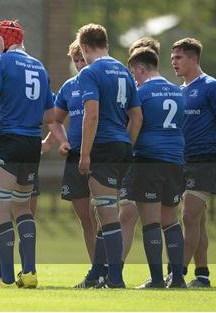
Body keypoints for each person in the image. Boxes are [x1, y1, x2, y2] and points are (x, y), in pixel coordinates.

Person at [0, 20, 54, 288]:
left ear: (7, 39)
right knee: (23, 208)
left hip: (7, 140)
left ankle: (6, 279)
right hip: (32, 143)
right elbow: (50, 114)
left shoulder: (1, 61)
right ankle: (29, 273)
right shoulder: (40, 66)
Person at [76, 23, 142, 288]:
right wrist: (125, 142)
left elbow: (91, 115)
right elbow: (136, 116)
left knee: (106, 211)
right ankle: (97, 274)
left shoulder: (90, 72)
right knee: (105, 210)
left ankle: (114, 278)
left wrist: (85, 154)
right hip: (123, 146)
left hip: (102, 146)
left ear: (84, 47)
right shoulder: (124, 72)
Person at [171, 38, 216, 287]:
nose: (174, 61)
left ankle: (176, 273)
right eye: (173, 57)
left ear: (194, 59)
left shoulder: (213, 87)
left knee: (188, 215)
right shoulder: (178, 91)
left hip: (205, 160)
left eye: (179, 57)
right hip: (181, 160)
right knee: (197, 220)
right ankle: (202, 275)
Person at [126, 46, 187, 288]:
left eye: (133, 73)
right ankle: (179, 278)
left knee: (150, 221)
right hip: (175, 160)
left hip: (149, 160)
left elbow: (134, 121)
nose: (133, 79)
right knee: (170, 220)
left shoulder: (142, 92)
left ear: (140, 68)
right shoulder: (177, 91)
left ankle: (157, 279)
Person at [49, 40, 97, 285]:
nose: (79, 64)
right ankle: (96, 270)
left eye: (82, 59)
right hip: (75, 156)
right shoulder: (68, 87)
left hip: (99, 155)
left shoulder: (100, 81)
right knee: (85, 216)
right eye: (75, 61)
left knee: (99, 211)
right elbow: (54, 120)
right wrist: (62, 141)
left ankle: (109, 268)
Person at [119, 37, 162, 262]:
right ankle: (115, 272)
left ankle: (183, 273)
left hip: (151, 159)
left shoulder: (152, 90)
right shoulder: (130, 87)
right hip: (135, 160)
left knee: (165, 219)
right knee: (126, 214)